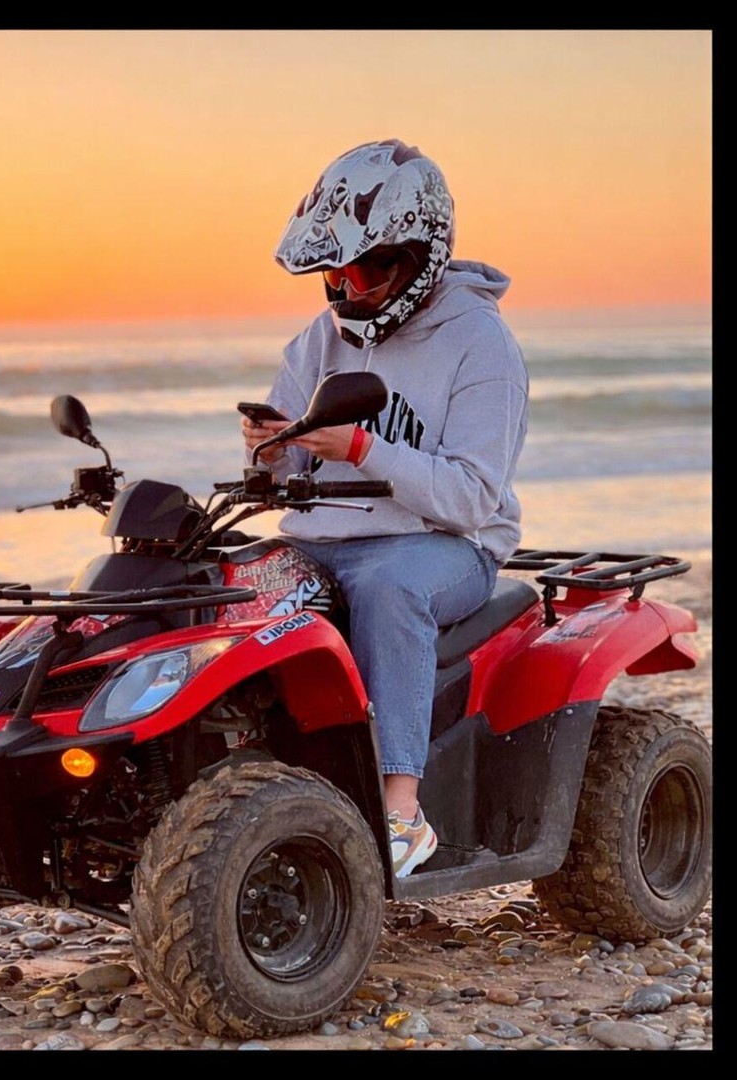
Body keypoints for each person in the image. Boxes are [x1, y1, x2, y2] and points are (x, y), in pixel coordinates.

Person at [241, 139, 529, 878]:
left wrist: (365, 448)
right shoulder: (322, 337)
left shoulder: (481, 343)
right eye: (333, 274)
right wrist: (272, 451)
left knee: (390, 589)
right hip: (325, 537)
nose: (347, 291)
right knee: (232, 588)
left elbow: (472, 497)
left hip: (447, 545)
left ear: (418, 256)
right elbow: (291, 466)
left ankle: (402, 812)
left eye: (365, 272)